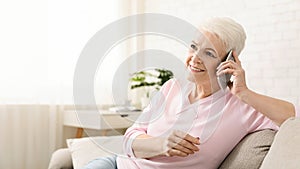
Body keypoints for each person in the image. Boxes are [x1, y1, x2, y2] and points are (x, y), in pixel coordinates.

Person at [81, 17, 297, 169]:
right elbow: (130, 138)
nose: (195, 58)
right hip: (115, 164)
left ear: (228, 62)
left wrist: (243, 92)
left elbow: (290, 117)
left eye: (209, 53)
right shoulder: (171, 88)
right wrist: (161, 144)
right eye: (194, 46)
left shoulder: (242, 106)